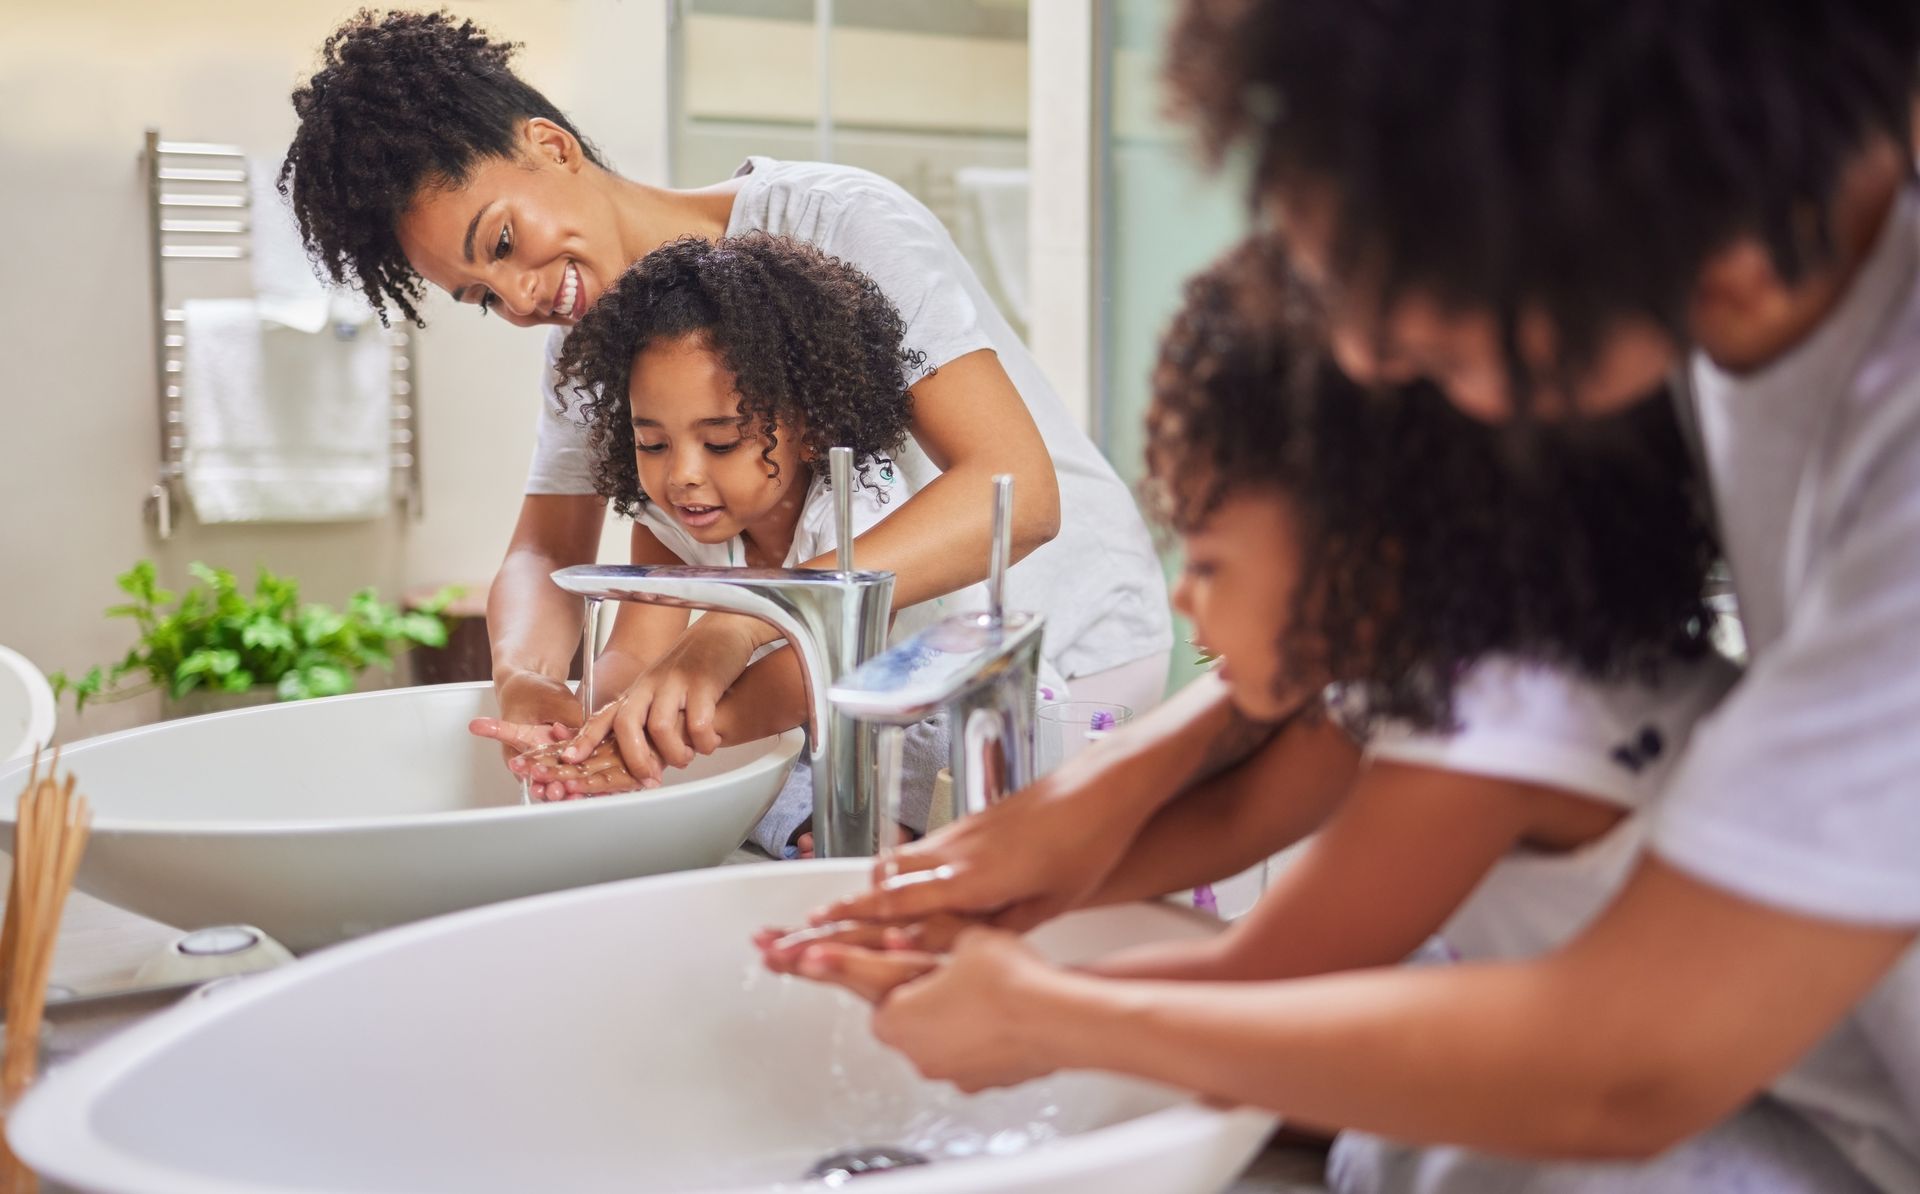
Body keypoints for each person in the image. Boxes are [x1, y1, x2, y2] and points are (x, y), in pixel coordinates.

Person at [802, 2, 1920, 1189]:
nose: (1368, 354)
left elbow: (1627, 1071)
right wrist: (1103, 792)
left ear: (1588, 167)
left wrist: (1049, 1015)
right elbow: (1348, 684)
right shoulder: (1680, 271)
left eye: (1394, 264)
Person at [280, 10, 1171, 814]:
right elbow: (546, 550)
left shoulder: (839, 224)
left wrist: (744, 620)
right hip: (866, 684)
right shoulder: (586, 353)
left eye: (503, 242)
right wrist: (528, 680)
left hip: (1062, 645)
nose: (518, 299)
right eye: (480, 296)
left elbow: (1017, 493)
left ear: (550, 146)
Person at [505, 233, 1078, 853]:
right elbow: (635, 652)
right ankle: (820, 827)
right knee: (761, 769)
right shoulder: (671, 519)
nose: (682, 475)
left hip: (940, 705)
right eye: (653, 443)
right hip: (822, 728)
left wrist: (684, 733)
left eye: (720, 443)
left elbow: (821, 671)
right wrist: (591, 722)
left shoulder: (853, 501)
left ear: (810, 428)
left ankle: (893, 823)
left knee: (911, 745)